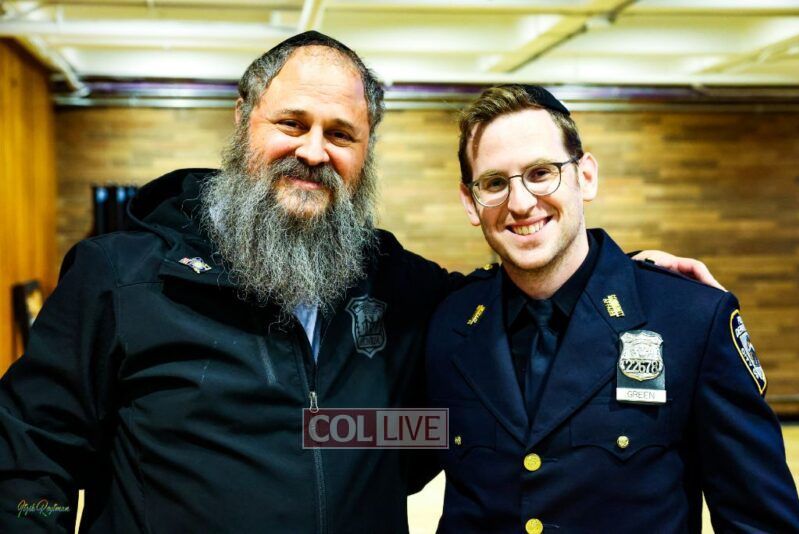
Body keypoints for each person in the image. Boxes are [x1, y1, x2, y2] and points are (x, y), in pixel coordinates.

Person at [0, 32, 719, 533]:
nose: (314, 151)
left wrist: (629, 279)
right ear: (244, 121)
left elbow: (516, 290)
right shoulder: (121, 276)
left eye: (341, 134)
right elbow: (29, 456)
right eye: (292, 123)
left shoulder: (394, 283)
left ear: (365, 152)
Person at [425, 84, 799, 533]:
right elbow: (390, 445)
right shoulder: (449, 324)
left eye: (541, 173)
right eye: (495, 183)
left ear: (585, 176)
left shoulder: (690, 320)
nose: (520, 202)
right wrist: (337, 428)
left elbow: (761, 522)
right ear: (471, 201)